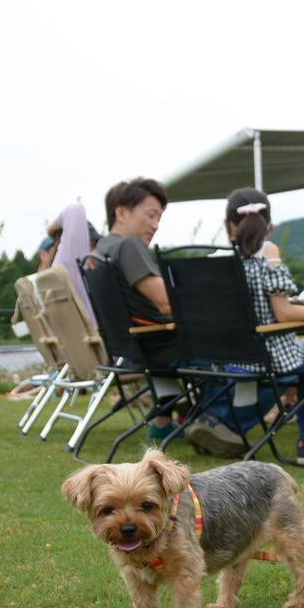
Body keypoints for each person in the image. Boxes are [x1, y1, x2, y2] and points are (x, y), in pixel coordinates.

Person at [224, 188, 304, 465]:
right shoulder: (268, 258)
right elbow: (283, 314)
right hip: (268, 354)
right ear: (268, 227)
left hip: (234, 356)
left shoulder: (224, 263)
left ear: (229, 226)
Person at [93, 177, 215, 447]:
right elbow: (164, 301)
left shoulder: (101, 250)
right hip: (164, 346)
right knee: (232, 343)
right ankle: (217, 421)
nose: (155, 225)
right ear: (122, 212)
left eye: (159, 217)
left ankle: (164, 422)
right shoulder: (129, 245)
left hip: (135, 347)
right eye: (150, 215)